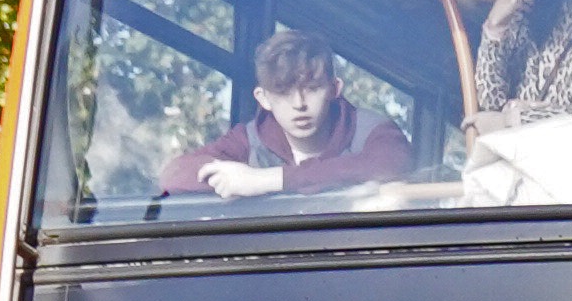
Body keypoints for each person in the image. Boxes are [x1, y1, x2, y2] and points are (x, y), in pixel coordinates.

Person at [162, 28, 414, 201]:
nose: (299, 104)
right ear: (264, 99)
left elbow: (387, 164)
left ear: (334, 89)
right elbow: (175, 175)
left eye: (312, 89)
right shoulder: (250, 139)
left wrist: (265, 181)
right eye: (283, 93)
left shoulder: (373, 131)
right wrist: (232, 178)